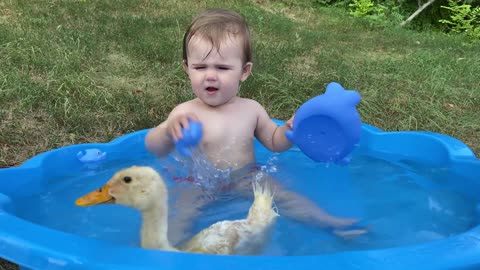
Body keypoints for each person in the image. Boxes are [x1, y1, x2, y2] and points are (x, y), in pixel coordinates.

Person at [145, 8, 364, 245]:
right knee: (181, 216)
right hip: (197, 184)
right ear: (187, 68)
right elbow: (154, 147)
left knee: (285, 197)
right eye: (200, 67)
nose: (210, 76)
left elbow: (274, 141)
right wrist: (168, 131)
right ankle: (163, 255)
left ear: (244, 71)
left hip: (246, 177)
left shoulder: (251, 109)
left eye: (222, 68)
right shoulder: (184, 113)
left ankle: (329, 223)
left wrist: (291, 130)